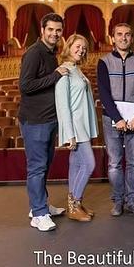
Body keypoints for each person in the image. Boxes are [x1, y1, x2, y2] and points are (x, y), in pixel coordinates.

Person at [19, 13, 68, 232]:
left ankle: (40, 205)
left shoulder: (51, 53)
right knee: (37, 168)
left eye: (58, 30)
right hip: (35, 120)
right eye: (51, 29)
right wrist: (56, 75)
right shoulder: (34, 53)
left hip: (48, 119)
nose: (55, 34)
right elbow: (26, 86)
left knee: (44, 166)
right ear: (42, 29)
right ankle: (38, 214)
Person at [97, 23, 134, 216]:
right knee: (115, 163)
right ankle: (118, 201)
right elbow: (103, 93)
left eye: (128, 34)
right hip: (112, 118)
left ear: (132, 38)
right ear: (113, 38)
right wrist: (117, 118)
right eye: (119, 35)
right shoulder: (104, 62)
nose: (124, 38)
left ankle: (132, 200)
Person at [55, 34, 98, 222]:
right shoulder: (64, 70)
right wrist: (69, 134)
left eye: (84, 48)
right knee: (89, 164)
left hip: (83, 125)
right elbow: (63, 105)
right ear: (69, 46)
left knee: (76, 165)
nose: (81, 50)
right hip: (75, 127)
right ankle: (75, 203)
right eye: (78, 46)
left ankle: (76, 205)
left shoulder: (76, 69)